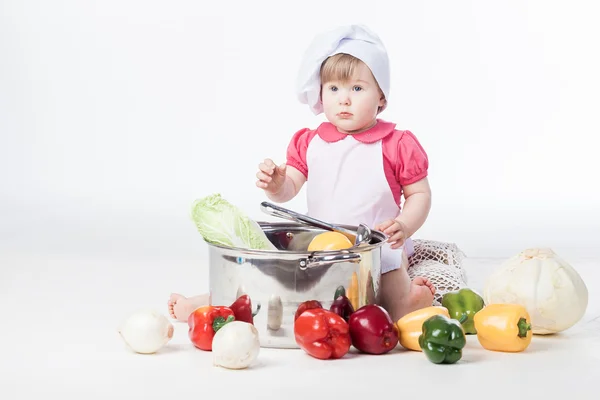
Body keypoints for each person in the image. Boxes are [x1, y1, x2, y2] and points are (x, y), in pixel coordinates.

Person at [169, 24, 436, 323]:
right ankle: (211, 302)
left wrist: (404, 224)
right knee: (274, 285)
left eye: (357, 89)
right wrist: (278, 184)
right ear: (321, 93)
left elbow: (419, 194)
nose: (344, 99)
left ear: (382, 98)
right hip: (321, 244)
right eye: (334, 88)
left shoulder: (396, 143)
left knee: (389, 301)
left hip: (375, 245)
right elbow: (289, 188)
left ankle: (409, 302)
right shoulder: (310, 142)